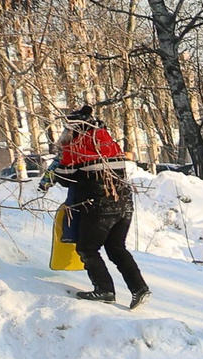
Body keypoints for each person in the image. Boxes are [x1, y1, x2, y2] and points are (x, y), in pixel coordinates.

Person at [55, 103, 147, 309]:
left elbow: (63, 178)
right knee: (116, 248)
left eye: (68, 129)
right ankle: (139, 288)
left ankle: (104, 289)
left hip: (98, 206)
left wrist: (57, 163)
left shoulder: (77, 146)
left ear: (76, 128)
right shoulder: (109, 142)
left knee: (87, 248)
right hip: (124, 205)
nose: (66, 133)